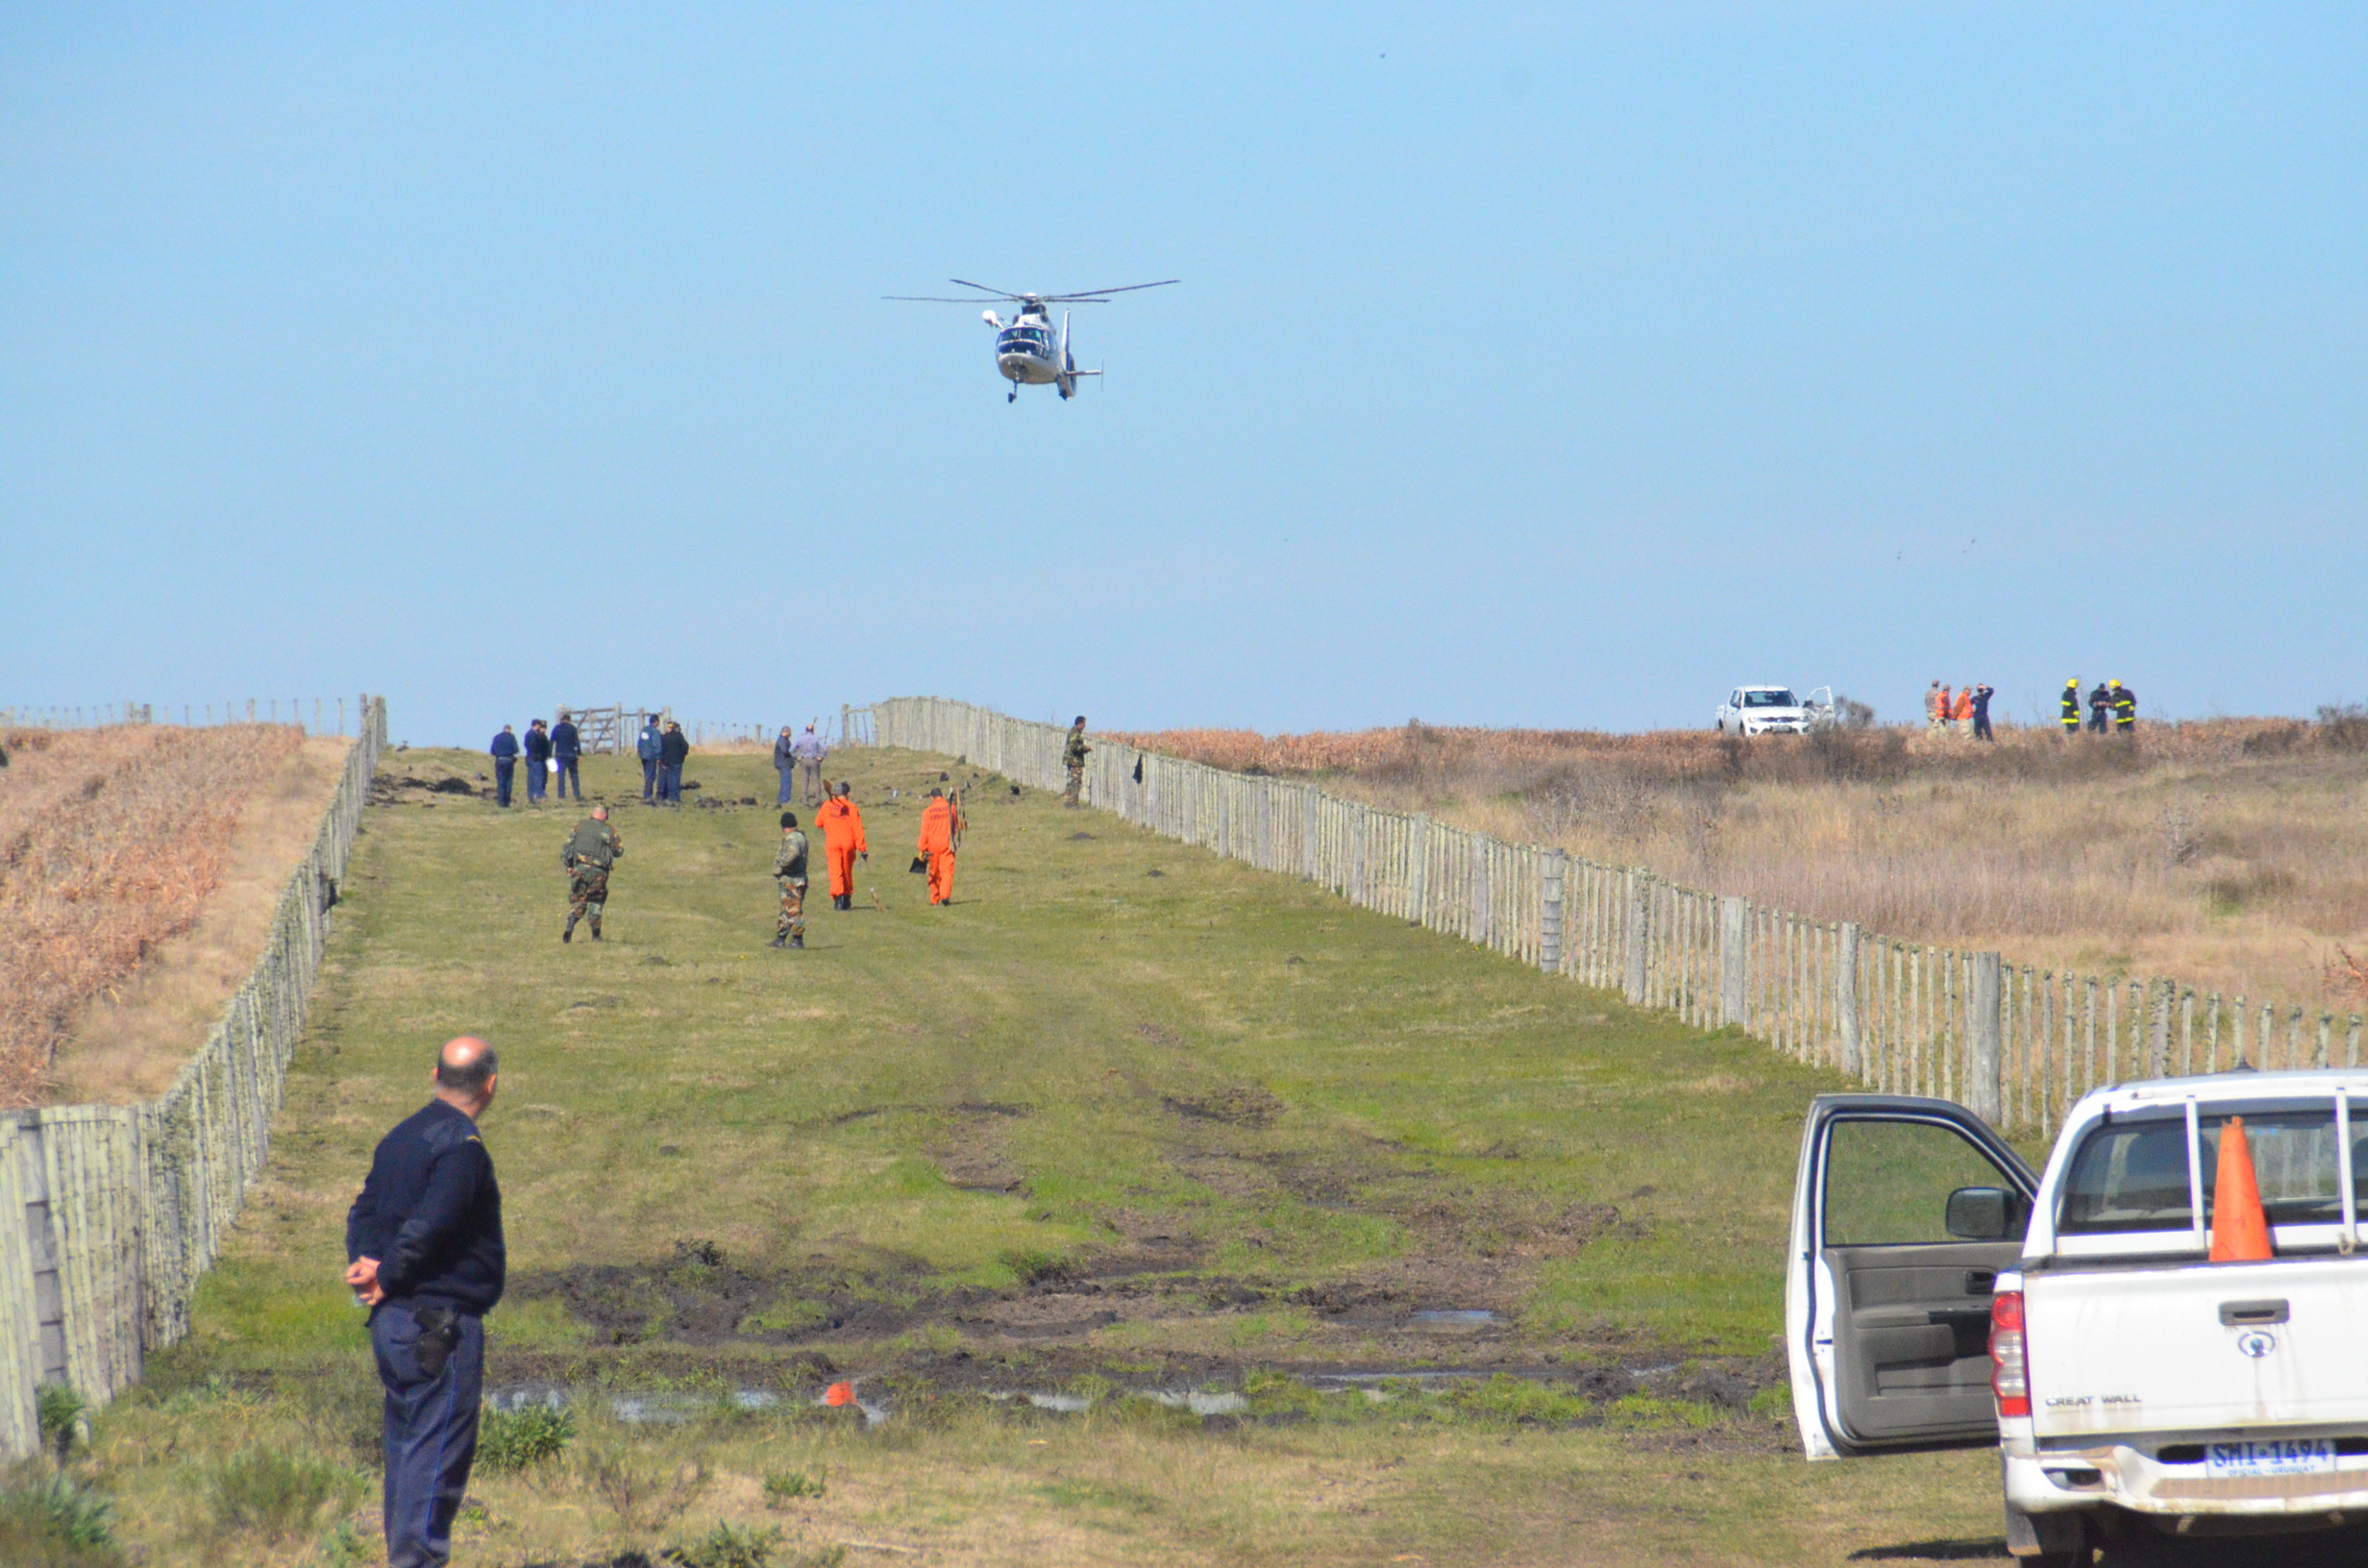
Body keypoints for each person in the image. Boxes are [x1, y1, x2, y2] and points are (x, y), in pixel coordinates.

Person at [344, 1036, 505, 1568]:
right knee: (435, 1458)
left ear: (433, 1074)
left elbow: (364, 1208)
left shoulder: (400, 1137)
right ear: (491, 1084)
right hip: (437, 1324)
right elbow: (431, 1223)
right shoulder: (462, 1146)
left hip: (392, 1322)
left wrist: (365, 1265)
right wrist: (387, 1275)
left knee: (407, 1450)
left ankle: (403, 1557)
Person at [561, 804, 623, 942]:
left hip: (579, 869)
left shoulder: (579, 826)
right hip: (598, 871)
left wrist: (569, 866)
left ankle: (570, 927)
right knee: (596, 901)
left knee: (579, 899)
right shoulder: (608, 830)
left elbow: (567, 847)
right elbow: (619, 851)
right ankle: (596, 935)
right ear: (605, 815)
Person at [816, 780, 868, 910]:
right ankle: (847, 897)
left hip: (833, 843)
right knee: (846, 871)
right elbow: (857, 829)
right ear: (848, 794)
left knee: (835, 871)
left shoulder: (827, 805)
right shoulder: (852, 808)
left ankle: (838, 899)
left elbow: (818, 823)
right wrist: (862, 848)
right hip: (848, 843)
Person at [771, 811, 809, 949]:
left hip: (793, 880)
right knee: (787, 909)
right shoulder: (800, 836)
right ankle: (781, 938)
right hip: (796, 879)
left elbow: (793, 854)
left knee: (793, 910)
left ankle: (797, 940)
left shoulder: (793, 839)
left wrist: (782, 866)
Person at [917, 787, 958, 906]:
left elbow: (924, 832)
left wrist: (922, 848)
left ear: (931, 797)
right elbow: (955, 825)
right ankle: (945, 895)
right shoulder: (951, 808)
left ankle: (935, 899)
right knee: (947, 871)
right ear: (943, 795)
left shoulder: (927, 812)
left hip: (932, 846)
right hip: (947, 843)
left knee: (933, 872)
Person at [792, 723, 827, 805]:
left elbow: (791, 749)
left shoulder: (800, 739)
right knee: (816, 780)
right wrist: (821, 757)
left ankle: (804, 799)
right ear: (813, 730)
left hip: (803, 760)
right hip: (814, 759)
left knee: (805, 780)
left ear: (806, 730)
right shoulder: (816, 738)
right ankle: (818, 799)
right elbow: (825, 749)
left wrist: (797, 757)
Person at [552, 710, 581, 800]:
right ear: (569, 720)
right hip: (571, 754)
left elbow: (551, 741)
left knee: (561, 776)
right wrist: (579, 754)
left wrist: (549, 754)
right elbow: (577, 742)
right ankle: (576, 794)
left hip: (560, 755)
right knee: (574, 775)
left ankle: (561, 795)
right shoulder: (572, 728)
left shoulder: (557, 728)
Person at [657, 721, 688, 805]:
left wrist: (662, 761)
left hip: (667, 761)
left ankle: (665, 796)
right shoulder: (679, 736)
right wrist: (682, 756)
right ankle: (674, 798)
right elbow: (685, 747)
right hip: (677, 761)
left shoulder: (665, 737)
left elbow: (663, 749)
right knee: (675, 779)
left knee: (668, 779)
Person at [522, 719, 553, 803]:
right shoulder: (532, 734)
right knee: (537, 777)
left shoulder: (538, 735)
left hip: (538, 758)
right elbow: (532, 746)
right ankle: (538, 795)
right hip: (535, 758)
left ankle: (533, 795)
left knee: (537, 777)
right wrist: (536, 754)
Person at [489, 724, 519, 808]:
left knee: (500, 782)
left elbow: (492, 751)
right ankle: (507, 802)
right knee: (508, 781)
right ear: (510, 729)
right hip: (509, 761)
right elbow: (516, 750)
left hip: (499, 760)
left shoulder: (497, 737)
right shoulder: (511, 737)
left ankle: (500, 802)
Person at [1063, 717, 1091, 807]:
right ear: (1080, 723)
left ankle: (1067, 802)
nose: (1084, 726)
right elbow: (1074, 747)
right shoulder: (1074, 733)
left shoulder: (1074, 732)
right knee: (1076, 782)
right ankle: (1074, 803)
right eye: (1084, 724)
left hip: (1072, 760)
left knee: (1072, 782)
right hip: (1075, 761)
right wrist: (1085, 749)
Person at [635, 714, 663, 802]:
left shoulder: (644, 730)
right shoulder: (655, 732)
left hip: (644, 756)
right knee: (651, 776)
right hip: (652, 756)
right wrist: (659, 756)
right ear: (656, 722)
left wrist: (640, 751)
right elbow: (657, 745)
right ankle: (648, 794)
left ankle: (647, 793)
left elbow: (640, 742)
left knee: (647, 774)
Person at [772, 725, 797, 806]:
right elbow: (784, 751)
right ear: (786, 732)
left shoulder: (783, 740)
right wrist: (792, 751)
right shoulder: (782, 740)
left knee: (785, 782)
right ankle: (785, 800)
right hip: (784, 764)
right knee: (786, 782)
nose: (790, 735)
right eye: (790, 733)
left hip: (784, 764)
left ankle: (782, 799)